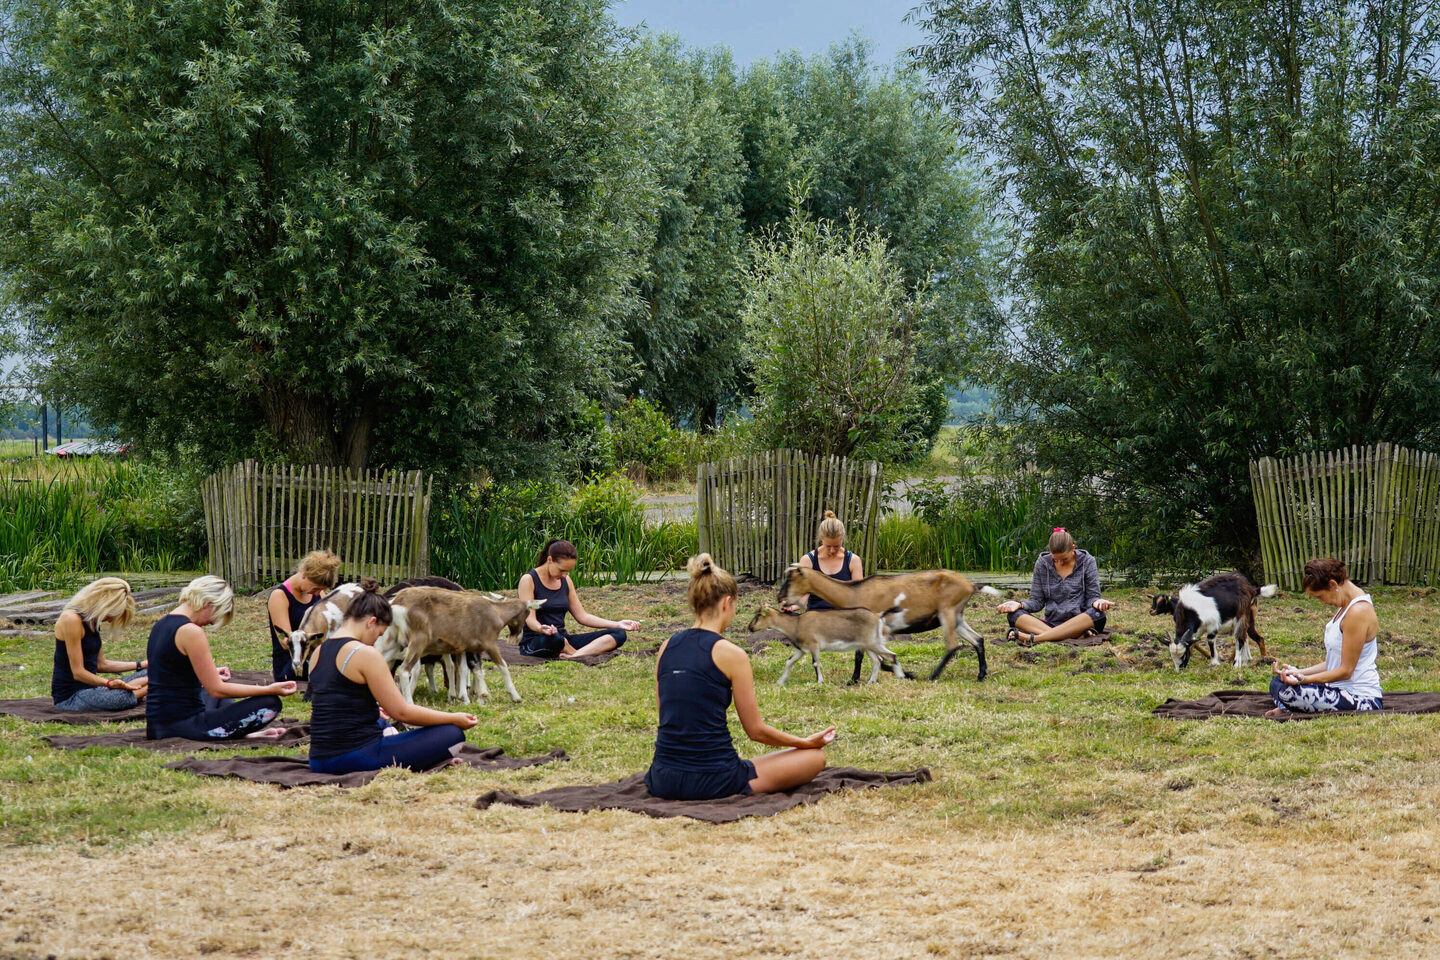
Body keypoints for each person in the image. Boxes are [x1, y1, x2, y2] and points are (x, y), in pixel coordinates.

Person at [644, 553, 836, 801]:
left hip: (662, 778)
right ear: (727, 603)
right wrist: (804, 743)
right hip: (714, 779)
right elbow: (756, 731)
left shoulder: (666, 647)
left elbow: (666, 719)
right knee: (815, 758)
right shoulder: (732, 654)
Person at [306, 578, 478, 774]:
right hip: (354, 757)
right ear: (371, 622)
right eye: (379, 634)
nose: (376, 641)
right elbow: (402, 712)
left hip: (318, 759)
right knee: (451, 733)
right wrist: (453, 718)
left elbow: (335, 700)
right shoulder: (365, 654)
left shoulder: (318, 653)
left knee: (382, 723)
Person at [146, 575, 297, 741]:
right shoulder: (190, 631)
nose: (212, 622)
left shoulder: (161, 624)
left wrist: (211, 673)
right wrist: (269, 689)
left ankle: (240, 732)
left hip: (158, 723)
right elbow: (216, 690)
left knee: (221, 701)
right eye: (216, 614)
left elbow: (170, 672)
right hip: (184, 726)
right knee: (270, 702)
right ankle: (235, 732)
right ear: (208, 603)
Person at [1267, 557, 1382, 718]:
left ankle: (1289, 707)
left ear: (1333, 585)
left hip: (1361, 698)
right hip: (1335, 689)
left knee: (1287, 693)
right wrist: (1298, 672)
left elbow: (1346, 671)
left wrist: (1303, 680)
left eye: (1320, 596)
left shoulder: (1358, 612)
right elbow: (1333, 662)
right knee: (1278, 683)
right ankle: (1291, 707)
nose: (1321, 603)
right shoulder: (1345, 607)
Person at [517, 539, 640, 659]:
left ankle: (575, 655)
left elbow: (582, 616)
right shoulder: (529, 580)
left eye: (568, 571)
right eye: (562, 570)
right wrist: (541, 628)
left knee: (618, 633)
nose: (565, 575)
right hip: (538, 640)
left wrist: (618, 624)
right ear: (550, 560)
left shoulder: (566, 580)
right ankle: (576, 652)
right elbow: (530, 619)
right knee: (557, 639)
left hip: (563, 638)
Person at [996, 528, 1114, 644]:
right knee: (1014, 615)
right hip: (1050, 623)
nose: (1060, 562)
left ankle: (1035, 639)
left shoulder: (1088, 562)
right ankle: (1069, 637)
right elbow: (1036, 601)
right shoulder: (1042, 563)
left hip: (1079, 622)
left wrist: (1097, 602)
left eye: (1064, 559)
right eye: (1055, 559)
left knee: (1097, 614)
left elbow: (1093, 597)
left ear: (1073, 548)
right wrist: (1020, 604)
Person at [51, 577, 148, 712]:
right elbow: (78, 673)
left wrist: (141, 664)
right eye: (112, 614)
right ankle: (153, 686)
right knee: (121, 698)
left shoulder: (93, 622)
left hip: (95, 689)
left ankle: (148, 683)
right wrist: (109, 683)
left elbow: (101, 664)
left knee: (152, 671)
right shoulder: (71, 619)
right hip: (72, 698)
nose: (110, 620)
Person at [267, 549, 340, 681]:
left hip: (316, 655)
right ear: (304, 575)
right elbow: (283, 639)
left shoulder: (319, 594)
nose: (318, 594)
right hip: (291, 663)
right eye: (315, 588)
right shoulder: (279, 596)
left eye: (322, 590)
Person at [787, 510, 864, 611]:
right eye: (828, 546)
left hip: (843, 617)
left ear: (842, 539)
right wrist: (796, 605)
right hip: (816, 617)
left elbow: (858, 596)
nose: (832, 550)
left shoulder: (853, 560)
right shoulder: (808, 560)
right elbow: (803, 592)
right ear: (821, 539)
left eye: (836, 546)